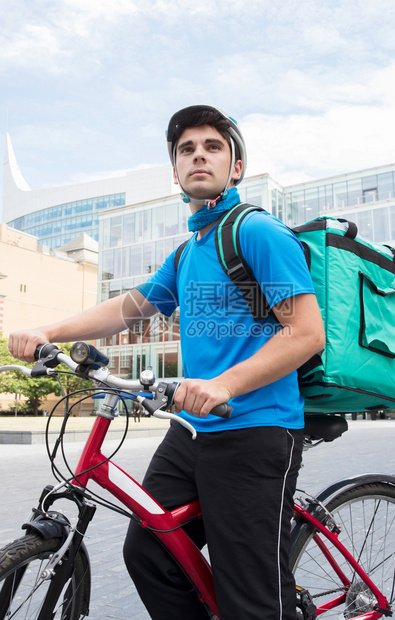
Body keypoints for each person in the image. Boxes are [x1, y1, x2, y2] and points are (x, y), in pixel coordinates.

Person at [8, 104, 325, 620]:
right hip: (192, 430)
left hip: (255, 428)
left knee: (250, 595)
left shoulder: (257, 232)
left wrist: (224, 384)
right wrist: (48, 330)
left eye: (212, 147)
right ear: (175, 171)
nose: (198, 155)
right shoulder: (187, 253)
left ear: (235, 167)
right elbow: (126, 309)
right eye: (186, 150)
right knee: (149, 553)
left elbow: (308, 333)